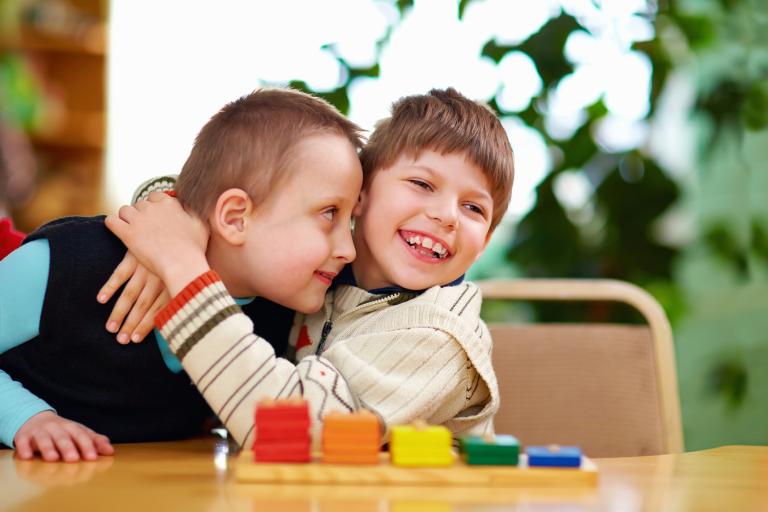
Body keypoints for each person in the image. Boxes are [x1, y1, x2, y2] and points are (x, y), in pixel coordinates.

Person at [106, 88, 514, 447]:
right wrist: (169, 218)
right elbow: (241, 195)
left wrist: (180, 262)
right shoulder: (321, 269)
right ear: (360, 192)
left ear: (485, 244)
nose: (447, 216)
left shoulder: (440, 339)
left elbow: (285, 429)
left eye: (474, 208)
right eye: (422, 184)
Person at [0, 88, 364, 461]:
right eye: (329, 213)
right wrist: (26, 418)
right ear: (235, 218)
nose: (347, 249)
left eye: (351, 220)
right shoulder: (65, 263)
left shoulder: (278, 318)